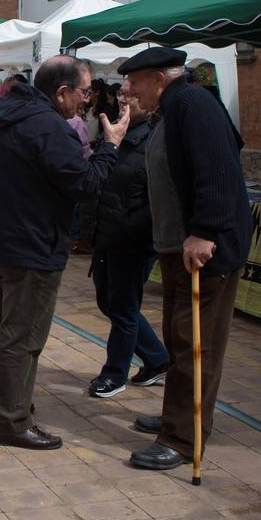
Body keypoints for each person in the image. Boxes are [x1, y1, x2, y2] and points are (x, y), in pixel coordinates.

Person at [0, 56, 129, 449]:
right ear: (61, 92)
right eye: (84, 91)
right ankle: (12, 420)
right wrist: (111, 147)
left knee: (0, 324)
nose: (88, 101)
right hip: (30, 244)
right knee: (22, 334)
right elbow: (85, 184)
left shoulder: (3, 115)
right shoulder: (48, 127)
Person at [119, 47, 252, 472]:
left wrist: (205, 230)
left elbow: (217, 168)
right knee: (180, 338)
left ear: (159, 79)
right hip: (178, 248)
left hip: (203, 250)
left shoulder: (193, 103)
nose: (128, 89)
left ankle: (182, 437)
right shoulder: (172, 109)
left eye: (135, 81)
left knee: (197, 345)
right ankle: (179, 414)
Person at [79, 82, 169, 399]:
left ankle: (114, 373)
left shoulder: (157, 136)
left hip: (133, 240)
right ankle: (157, 359)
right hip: (107, 235)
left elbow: (157, 198)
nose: (127, 99)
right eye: (123, 94)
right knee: (109, 302)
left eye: (133, 93)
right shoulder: (119, 133)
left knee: (123, 308)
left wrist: (130, 228)